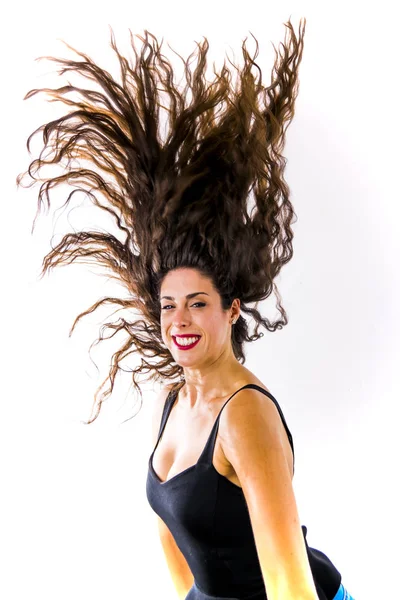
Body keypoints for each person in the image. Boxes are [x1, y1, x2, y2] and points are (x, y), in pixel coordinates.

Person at [17, 17, 355, 600]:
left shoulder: (246, 414)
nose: (179, 321)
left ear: (233, 309)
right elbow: (176, 552)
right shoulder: (172, 402)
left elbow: (290, 583)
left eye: (198, 303)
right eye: (169, 305)